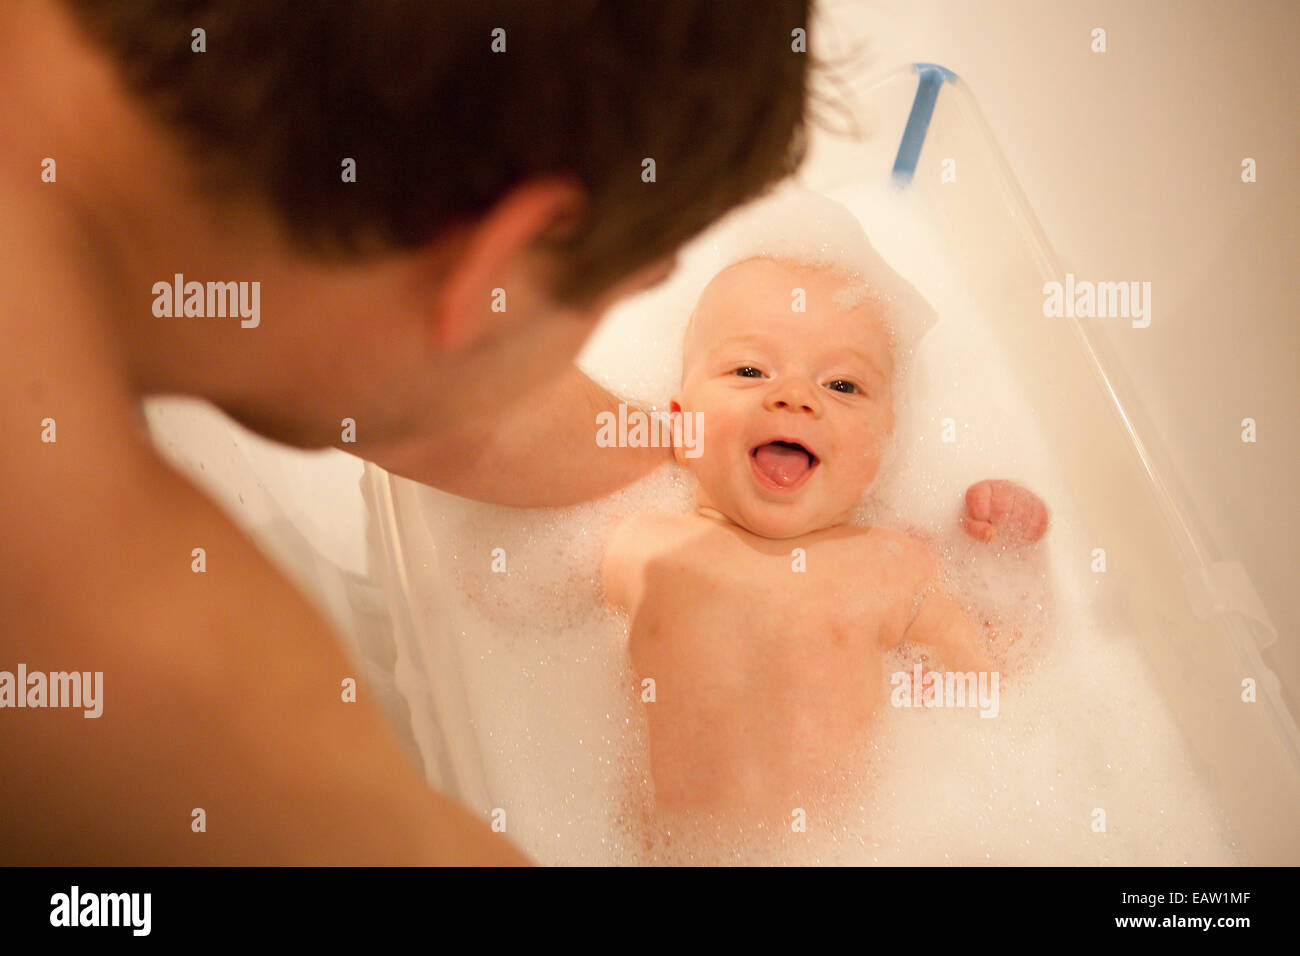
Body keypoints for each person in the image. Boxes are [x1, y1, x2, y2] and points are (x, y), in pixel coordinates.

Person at [0, 0, 810, 864]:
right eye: (606, 299)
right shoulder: (126, 647)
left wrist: (688, 438)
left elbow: (428, 402)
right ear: (496, 262)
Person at [602, 254, 1047, 822]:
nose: (793, 396)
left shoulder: (895, 564)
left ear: (884, 446)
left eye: (841, 384)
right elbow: (498, 603)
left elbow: (991, 684)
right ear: (680, 423)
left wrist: (1010, 558)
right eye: (749, 371)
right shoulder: (640, 542)